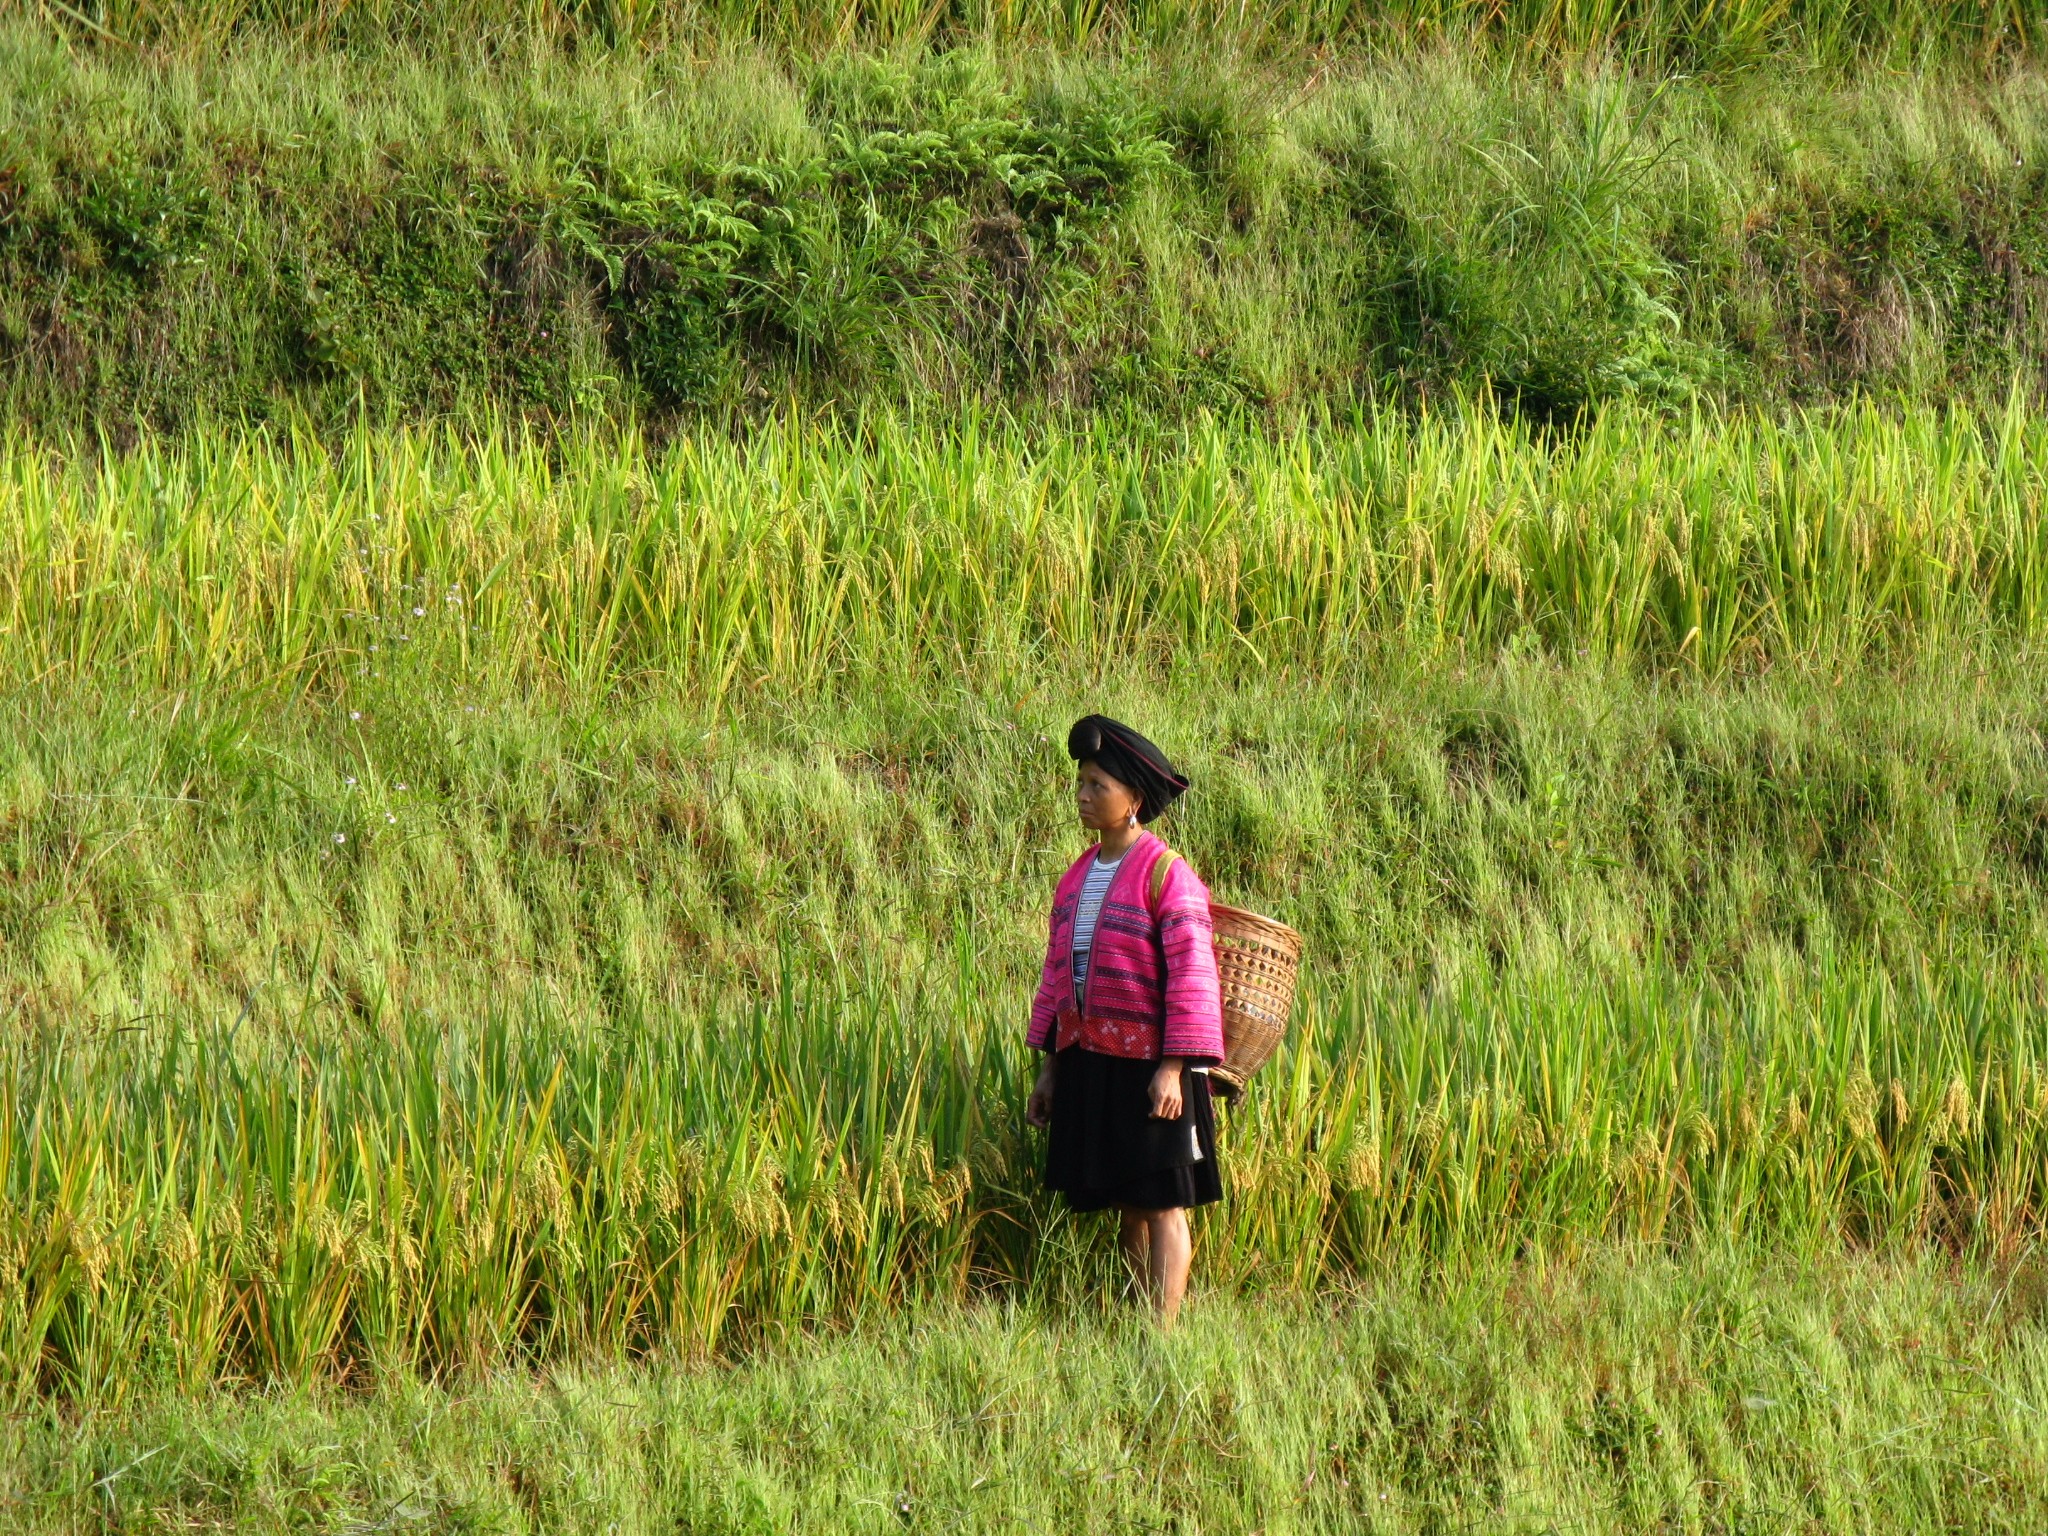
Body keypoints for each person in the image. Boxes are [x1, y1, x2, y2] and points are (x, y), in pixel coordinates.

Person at [1024, 714, 1225, 1326]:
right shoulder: (1075, 879)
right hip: (1093, 1063)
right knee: (1127, 1202)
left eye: (1097, 785)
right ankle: (1143, 1319)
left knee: (1163, 1202)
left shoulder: (1168, 875)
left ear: (1134, 797)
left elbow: (1194, 978)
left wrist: (1172, 1068)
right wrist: (1051, 1072)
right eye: (1081, 783)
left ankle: (1161, 1336)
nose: (1083, 796)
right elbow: (1058, 980)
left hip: (1150, 1069)